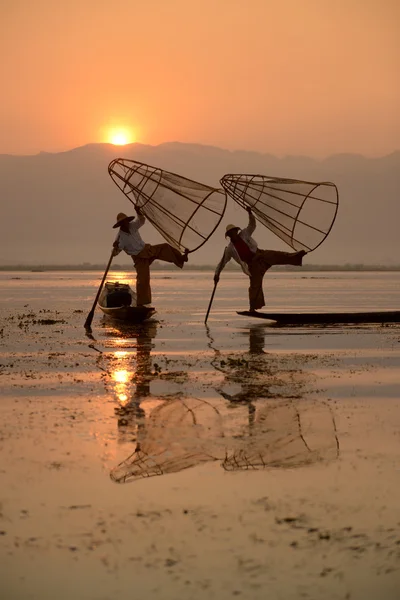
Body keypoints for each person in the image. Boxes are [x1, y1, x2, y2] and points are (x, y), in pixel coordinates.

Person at [214, 207, 306, 312]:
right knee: (255, 286)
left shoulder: (244, 234)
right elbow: (222, 263)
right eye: (231, 233)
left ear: (236, 231)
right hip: (252, 265)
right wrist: (217, 274)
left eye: (234, 231)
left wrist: (250, 213)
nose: (233, 234)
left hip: (260, 254)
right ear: (229, 235)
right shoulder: (230, 249)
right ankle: (253, 308)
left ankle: (297, 256)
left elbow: (252, 225)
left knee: (278, 255)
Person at [112, 207, 188, 306]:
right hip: (139, 258)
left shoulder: (132, 226)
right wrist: (115, 247)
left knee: (164, 248)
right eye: (123, 223)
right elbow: (115, 253)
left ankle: (181, 258)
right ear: (120, 225)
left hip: (147, 249)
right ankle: (142, 304)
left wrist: (138, 212)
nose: (125, 224)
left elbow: (141, 220)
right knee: (143, 280)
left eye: (126, 221)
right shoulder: (120, 237)